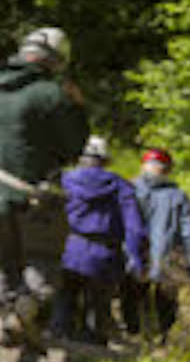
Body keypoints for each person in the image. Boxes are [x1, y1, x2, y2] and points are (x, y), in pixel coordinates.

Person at [0, 26, 89, 349]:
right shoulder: (50, 93)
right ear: (56, 60)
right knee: (44, 260)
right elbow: (74, 148)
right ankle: (24, 309)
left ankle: (8, 320)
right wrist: (77, 107)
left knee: (1, 258)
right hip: (33, 194)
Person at [54, 136, 145, 345]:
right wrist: (135, 257)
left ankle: (59, 337)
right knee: (98, 307)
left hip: (70, 249)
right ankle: (92, 345)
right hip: (105, 254)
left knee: (65, 298)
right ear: (104, 160)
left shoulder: (65, 180)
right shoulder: (120, 185)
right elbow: (134, 226)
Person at [123, 148, 190, 341]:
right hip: (167, 257)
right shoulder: (178, 196)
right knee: (165, 302)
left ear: (142, 166)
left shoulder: (127, 189)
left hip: (133, 254)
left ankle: (135, 335)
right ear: (168, 170)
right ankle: (163, 338)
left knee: (132, 296)